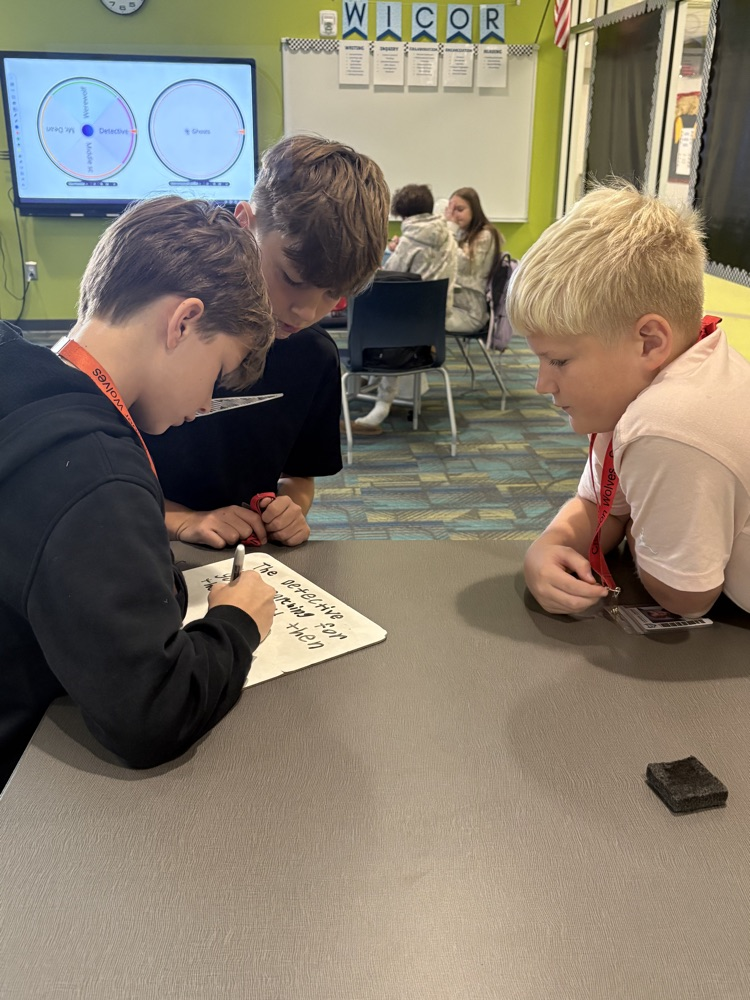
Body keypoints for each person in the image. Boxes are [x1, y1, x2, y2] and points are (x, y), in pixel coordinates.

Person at [0, 196, 279, 791]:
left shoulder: (15, 367)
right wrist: (236, 623)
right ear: (183, 322)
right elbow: (151, 712)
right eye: (218, 370)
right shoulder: (95, 473)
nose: (208, 403)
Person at [507, 182, 750, 617]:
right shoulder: (695, 357)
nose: (542, 384)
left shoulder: (667, 423)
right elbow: (599, 507)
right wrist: (551, 545)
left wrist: (637, 528)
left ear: (649, 342)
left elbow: (686, 597)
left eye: (559, 361)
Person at [146, 134, 390, 547]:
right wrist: (183, 521)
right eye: (292, 280)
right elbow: (90, 477)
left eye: (334, 295)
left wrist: (289, 507)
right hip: (140, 543)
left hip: (246, 555)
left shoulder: (313, 356)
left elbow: (300, 475)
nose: (307, 313)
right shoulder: (166, 332)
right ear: (246, 222)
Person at [351, 183, 458, 434]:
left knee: (371, 314)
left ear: (403, 214)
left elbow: (387, 278)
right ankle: (381, 386)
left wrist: (391, 252)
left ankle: (380, 399)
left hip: (402, 330)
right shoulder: (449, 236)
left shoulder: (412, 239)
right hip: (433, 326)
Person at [445, 186, 502, 333]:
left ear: (474, 210)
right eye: (450, 210)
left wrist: (449, 230)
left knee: (421, 318)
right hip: (454, 304)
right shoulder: (461, 233)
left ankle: (428, 354)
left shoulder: (486, 235)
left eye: (459, 209)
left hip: (471, 312)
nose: (453, 215)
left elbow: (464, 264)